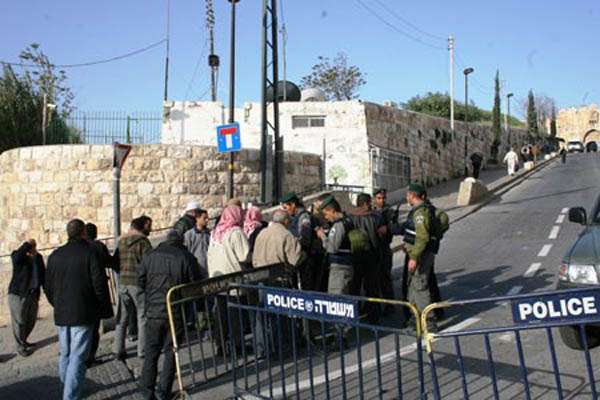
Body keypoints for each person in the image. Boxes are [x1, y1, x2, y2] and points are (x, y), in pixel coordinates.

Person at [44, 219, 111, 400]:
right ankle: (70, 395)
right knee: (77, 356)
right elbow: (99, 284)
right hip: (83, 313)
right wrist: (104, 309)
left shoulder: (55, 255)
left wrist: (56, 303)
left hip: (62, 312)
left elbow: (47, 285)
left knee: (65, 353)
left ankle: (67, 387)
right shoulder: (90, 253)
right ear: (83, 232)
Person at [138, 230, 201, 400]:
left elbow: (140, 280)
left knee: (151, 353)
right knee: (171, 352)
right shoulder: (185, 257)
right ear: (181, 242)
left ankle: (147, 391)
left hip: (154, 311)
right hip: (175, 311)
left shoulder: (150, 256)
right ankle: (163, 392)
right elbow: (194, 283)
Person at [207, 205, 250, 353]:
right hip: (233, 278)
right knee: (235, 314)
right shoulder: (235, 232)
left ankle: (221, 345)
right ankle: (237, 345)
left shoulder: (214, 232)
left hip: (217, 279)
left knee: (221, 314)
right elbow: (244, 255)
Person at [398, 183, 438, 333]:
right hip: (416, 253)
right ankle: (415, 319)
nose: (406, 197)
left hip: (421, 255)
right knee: (414, 286)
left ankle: (429, 321)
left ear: (412, 195)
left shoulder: (420, 213)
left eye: (408, 194)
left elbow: (422, 237)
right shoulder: (418, 211)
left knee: (420, 286)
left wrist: (414, 257)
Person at [113, 215, 153, 360]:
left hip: (123, 282)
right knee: (142, 316)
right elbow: (149, 263)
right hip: (138, 283)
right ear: (144, 225)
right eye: (149, 225)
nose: (151, 228)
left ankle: (118, 349)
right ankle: (142, 350)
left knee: (122, 317)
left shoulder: (121, 241)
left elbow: (115, 261)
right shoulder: (143, 242)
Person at [347, 193, 382, 323]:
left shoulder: (350, 218)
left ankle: (355, 313)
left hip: (354, 257)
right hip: (370, 256)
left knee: (354, 286)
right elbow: (378, 238)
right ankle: (373, 315)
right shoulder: (374, 218)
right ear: (366, 204)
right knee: (372, 287)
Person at [84, 223, 115, 367]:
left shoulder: (81, 246)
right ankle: (90, 356)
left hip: (82, 291)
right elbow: (109, 262)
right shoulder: (98, 246)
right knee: (94, 327)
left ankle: (82, 354)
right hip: (96, 292)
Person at [8, 238, 45, 357]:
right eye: (31, 245)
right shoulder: (19, 255)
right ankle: (20, 346)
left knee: (31, 320)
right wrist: (26, 245)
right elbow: (16, 258)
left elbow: (42, 274)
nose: (33, 247)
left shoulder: (38, 257)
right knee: (19, 321)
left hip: (33, 293)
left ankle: (24, 340)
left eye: (34, 245)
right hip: (18, 294)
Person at [281, 192, 324, 292]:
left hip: (307, 258)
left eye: (286, 207)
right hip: (299, 257)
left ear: (293, 204)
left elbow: (305, 238)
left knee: (308, 287)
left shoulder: (304, 217)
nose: (286, 210)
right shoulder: (294, 217)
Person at [316, 196, 354, 295]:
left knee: (336, 296)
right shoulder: (348, 220)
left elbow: (332, 248)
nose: (325, 217)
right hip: (348, 264)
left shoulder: (338, 225)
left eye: (326, 214)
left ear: (332, 210)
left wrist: (323, 236)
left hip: (339, 268)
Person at [373, 189, 396, 307]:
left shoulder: (389, 211)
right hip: (374, 248)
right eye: (379, 198)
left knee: (385, 278)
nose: (381, 200)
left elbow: (392, 227)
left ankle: (389, 305)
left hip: (384, 247)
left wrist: (386, 228)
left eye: (383, 198)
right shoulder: (371, 211)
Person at [184, 208, 211, 279]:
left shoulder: (209, 233)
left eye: (207, 218)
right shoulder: (189, 235)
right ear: (197, 218)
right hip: (196, 268)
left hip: (209, 267)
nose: (207, 220)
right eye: (204, 218)